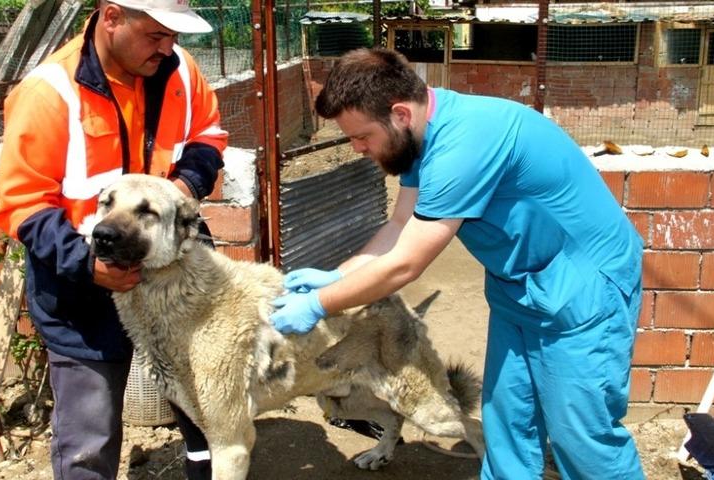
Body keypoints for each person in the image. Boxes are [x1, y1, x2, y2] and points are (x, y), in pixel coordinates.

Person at [270, 47, 645, 480]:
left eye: (362, 136)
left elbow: (405, 264)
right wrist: (340, 274)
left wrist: (320, 303)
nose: (357, 149)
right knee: (507, 421)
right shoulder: (419, 138)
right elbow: (399, 226)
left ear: (400, 115)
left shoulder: (463, 145)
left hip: (583, 289)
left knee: (581, 437)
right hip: (520, 287)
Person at [0, 0, 227, 478]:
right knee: (90, 428)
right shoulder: (48, 92)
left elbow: (208, 134)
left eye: (174, 37)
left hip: (175, 274)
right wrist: (85, 263)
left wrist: (180, 192)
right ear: (112, 17)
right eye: (156, 36)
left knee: (204, 405)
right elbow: (23, 202)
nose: (169, 49)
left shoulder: (178, 70)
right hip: (84, 281)